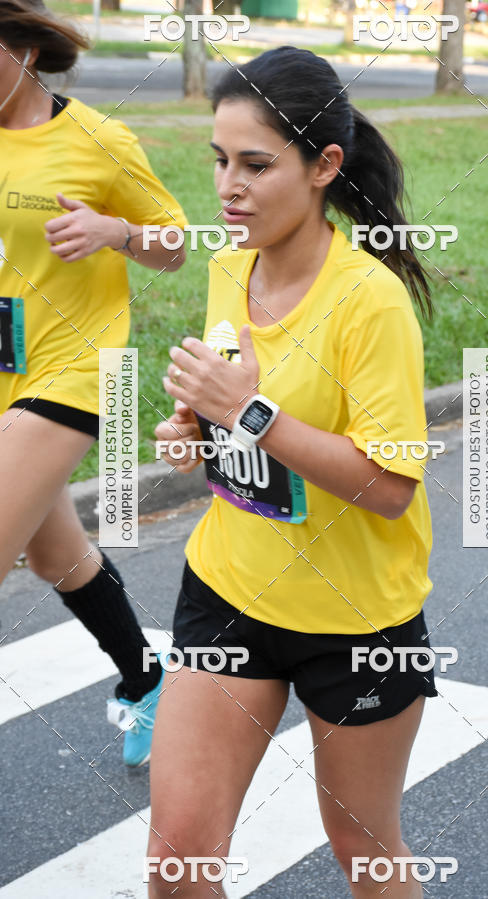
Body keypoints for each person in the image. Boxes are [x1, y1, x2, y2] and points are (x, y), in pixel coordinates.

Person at [149, 45, 437, 898]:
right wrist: (199, 433)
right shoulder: (227, 267)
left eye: (255, 164)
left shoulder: (368, 301)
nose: (227, 186)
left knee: (364, 850)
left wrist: (249, 413)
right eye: (219, 160)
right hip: (228, 589)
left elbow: (390, 487)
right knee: (177, 863)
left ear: (324, 167)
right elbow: (244, 439)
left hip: (356, 623)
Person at [0, 0, 188, 766]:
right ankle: (148, 679)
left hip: (73, 369)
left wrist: (119, 233)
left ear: (26, 52)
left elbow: (174, 241)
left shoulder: (99, 141)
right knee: (54, 557)